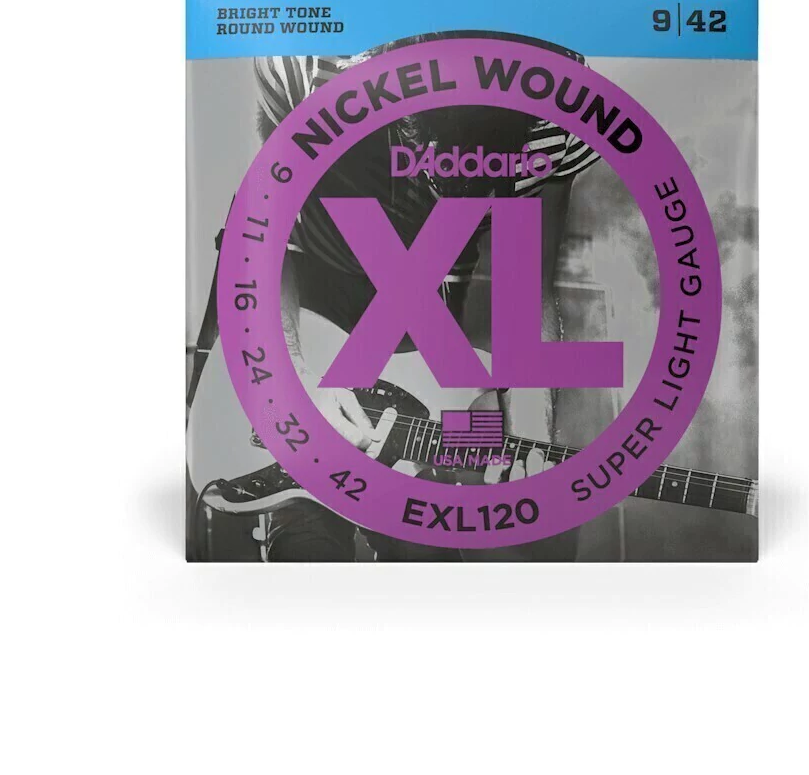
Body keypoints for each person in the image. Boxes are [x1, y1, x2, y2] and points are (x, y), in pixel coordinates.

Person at [254, 33, 602, 561]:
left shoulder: (561, 108)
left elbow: (527, 277)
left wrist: (530, 424)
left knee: (438, 564)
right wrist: (290, 380)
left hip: (428, 345)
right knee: (306, 556)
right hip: (309, 307)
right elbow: (258, 235)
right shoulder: (304, 60)